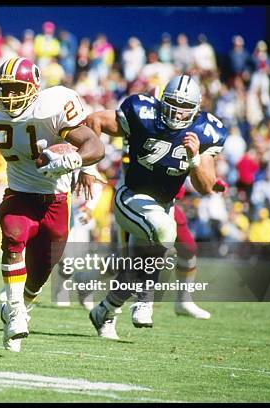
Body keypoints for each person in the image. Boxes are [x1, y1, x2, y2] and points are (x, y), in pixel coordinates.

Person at [0, 57, 104, 352]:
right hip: (19, 191)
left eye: (17, 89)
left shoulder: (52, 106)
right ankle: (14, 312)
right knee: (12, 235)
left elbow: (95, 145)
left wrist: (77, 161)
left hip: (56, 198)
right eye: (6, 89)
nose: (10, 97)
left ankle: (20, 306)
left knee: (41, 272)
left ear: (34, 89)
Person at [85, 74, 227, 340]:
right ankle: (145, 299)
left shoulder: (206, 131)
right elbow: (94, 120)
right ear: (162, 100)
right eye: (172, 102)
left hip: (164, 205)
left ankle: (104, 311)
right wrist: (91, 165)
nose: (176, 111)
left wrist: (194, 158)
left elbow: (206, 186)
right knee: (165, 231)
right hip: (130, 197)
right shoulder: (142, 112)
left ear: (197, 109)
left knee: (136, 265)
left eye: (184, 106)